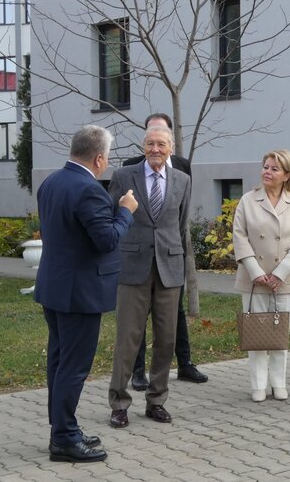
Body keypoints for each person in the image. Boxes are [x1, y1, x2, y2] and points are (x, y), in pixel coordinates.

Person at [34, 125, 137, 463]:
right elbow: (107, 239)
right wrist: (125, 210)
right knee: (73, 367)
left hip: (55, 287)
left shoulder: (51, 182)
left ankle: (63, 428)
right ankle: (64, 439)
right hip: (79, 293)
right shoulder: (89, 190)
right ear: (99, 158)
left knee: (59, 362)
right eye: (107, 157)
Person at [108, 122, 191, 429]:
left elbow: (180, 224)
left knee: (166, 339)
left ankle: (157, 400)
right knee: (127, 338)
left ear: (171, 148)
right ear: (143, 147)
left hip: (169, 267)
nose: (155, 149)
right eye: (150, 144)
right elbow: (113, 215)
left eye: (161, 144)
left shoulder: (182, 179)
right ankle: (119, 403)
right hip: (133, 266)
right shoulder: (123, 176)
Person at [122, 113, 208, 390]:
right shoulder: (130, 168)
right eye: (151, 136)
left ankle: (185, 363)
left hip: (170, 255)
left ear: (170, 140)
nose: (156, 145)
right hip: (139, 257)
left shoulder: (182, 168)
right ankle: (137, 371)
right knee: (138, 317)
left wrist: (177, 252)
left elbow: (181, 217)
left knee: (175, 313)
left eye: (161, 137)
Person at [232, 149, 290, 402]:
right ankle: (258, 385)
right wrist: (256, 272)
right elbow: (239, 236)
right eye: (265, 167)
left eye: (274, 168)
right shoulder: (248, 200)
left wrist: (280, 272)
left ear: (287, 175)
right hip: (253, 278)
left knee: (279, 334)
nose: (267, 172)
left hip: (284, 278)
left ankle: (279, 383)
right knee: (257, 333)